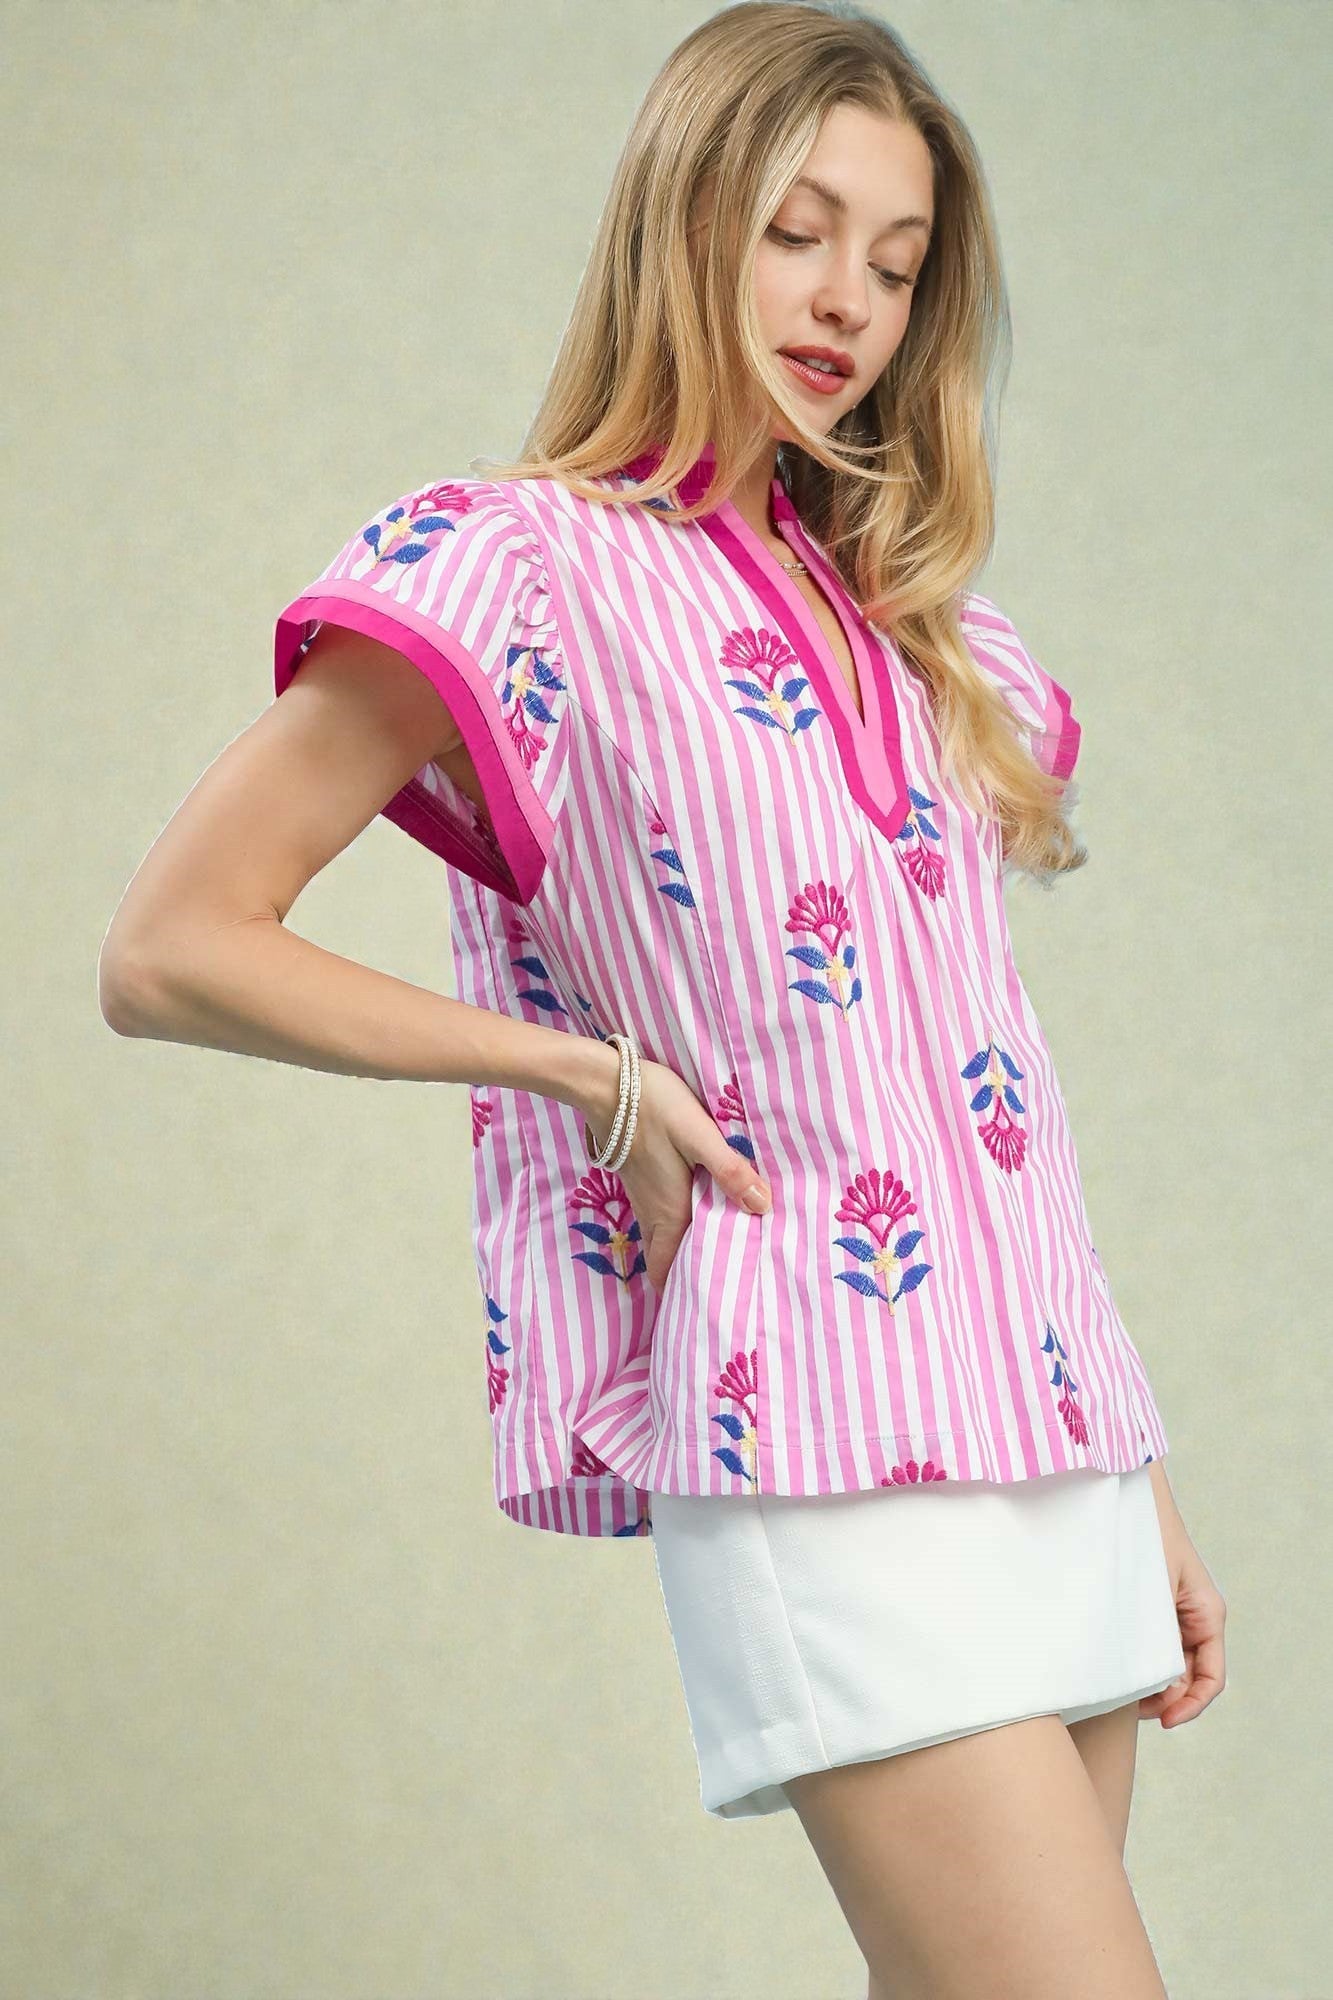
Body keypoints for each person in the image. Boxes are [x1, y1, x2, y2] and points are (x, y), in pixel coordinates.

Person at [97, 3, 1226, 1993]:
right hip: (816, 1432)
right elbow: (173, 943)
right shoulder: (519, 567)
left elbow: (977, 1083)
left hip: (1050, 1436)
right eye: (799, 232)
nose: (847, 302)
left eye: (896, 265)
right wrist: (592, 1077)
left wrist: (1129, 1470)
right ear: (684, 219)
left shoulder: (931, 633)